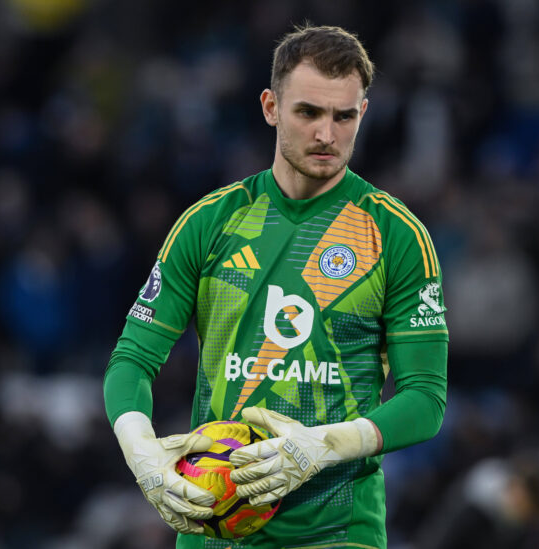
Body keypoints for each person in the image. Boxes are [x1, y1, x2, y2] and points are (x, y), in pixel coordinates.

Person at [104, 24, 449, 549]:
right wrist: (141, 452)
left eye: (344, 116)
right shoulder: (209, 222)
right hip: (212, 528)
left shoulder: (397, 236)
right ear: (270, 107)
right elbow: (133, 357)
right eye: (308, 112)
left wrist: (325, 446)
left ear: (364, 113)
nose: (327, 135)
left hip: (337, 531)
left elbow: (426, 399)